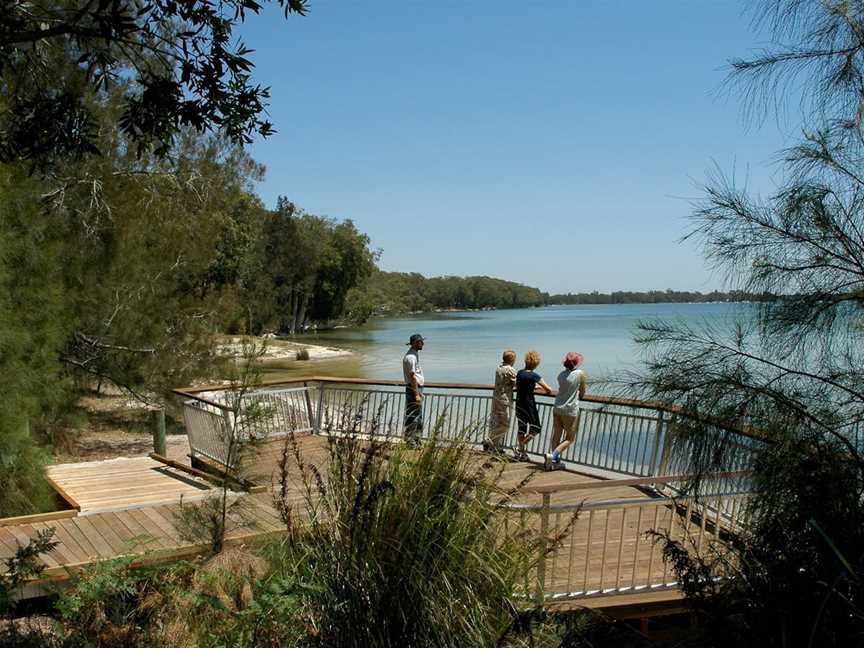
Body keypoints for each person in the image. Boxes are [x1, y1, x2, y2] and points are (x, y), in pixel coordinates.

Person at [545, 351, 587, 471]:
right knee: (570, 438)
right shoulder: (580, 374)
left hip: (557, 407)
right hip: (570, 409)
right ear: (577, 363)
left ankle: (554, 463)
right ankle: (552, 457)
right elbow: (583, 393)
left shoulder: (560, 375)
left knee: (556, 435)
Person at [514, 350, 553, 461]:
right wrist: (543, 389)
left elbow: (520, 386)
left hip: (519, 403)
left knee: (522, 428)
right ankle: (519, 448)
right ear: (536, 364)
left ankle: (522, 453)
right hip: (529, 404)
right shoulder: (534, 376)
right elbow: (548, 389)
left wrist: (534, 387)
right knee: (536, 428)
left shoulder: (520, 373)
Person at [484, 350, 517, 454]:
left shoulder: (499, 368)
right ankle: (489, 441)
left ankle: (495, 447)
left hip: (496, 397)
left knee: (496, 422)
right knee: (505, 424)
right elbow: (518, 383)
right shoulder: (510, 370)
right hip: (504, 400)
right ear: (512, 359)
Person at [402, 333, 425, 446]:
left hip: (415, 388)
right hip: (413, 389)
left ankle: (416, 440)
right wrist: (416, 393)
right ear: (416, 343)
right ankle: (411, 442)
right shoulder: (411, 357)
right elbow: (412, 376)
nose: (423, 344)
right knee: (413, 415)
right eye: (421, 342)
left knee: (417, 415)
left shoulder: (413, 355)